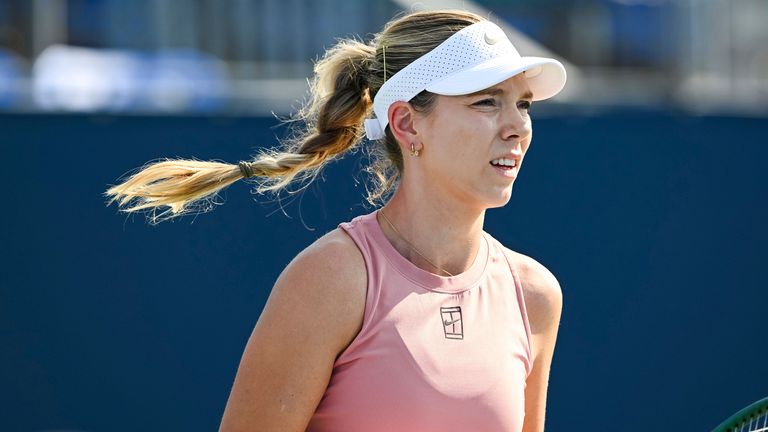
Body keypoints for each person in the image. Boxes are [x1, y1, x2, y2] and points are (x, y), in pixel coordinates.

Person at [104, 9, 565, 432]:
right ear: (406, 124)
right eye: (486, 102)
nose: (517, 126)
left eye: (523, 104)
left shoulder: (535, 297)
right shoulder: (331, 280)